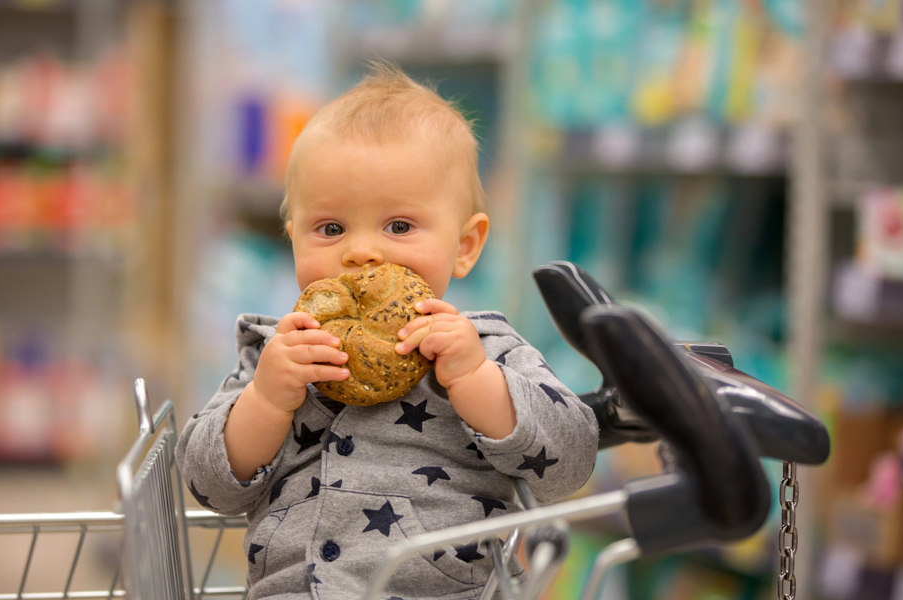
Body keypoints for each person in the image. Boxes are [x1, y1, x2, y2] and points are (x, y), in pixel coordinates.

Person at [175, 63, 599, 600]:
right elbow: (207, 484)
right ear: (293, 241)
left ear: (465, 245)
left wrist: (476, 381)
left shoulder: (488, 349)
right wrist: (266, 400)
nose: (360, 251)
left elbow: (571, 462)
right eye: (330, 229)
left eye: (399, 226)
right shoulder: (276, 354)